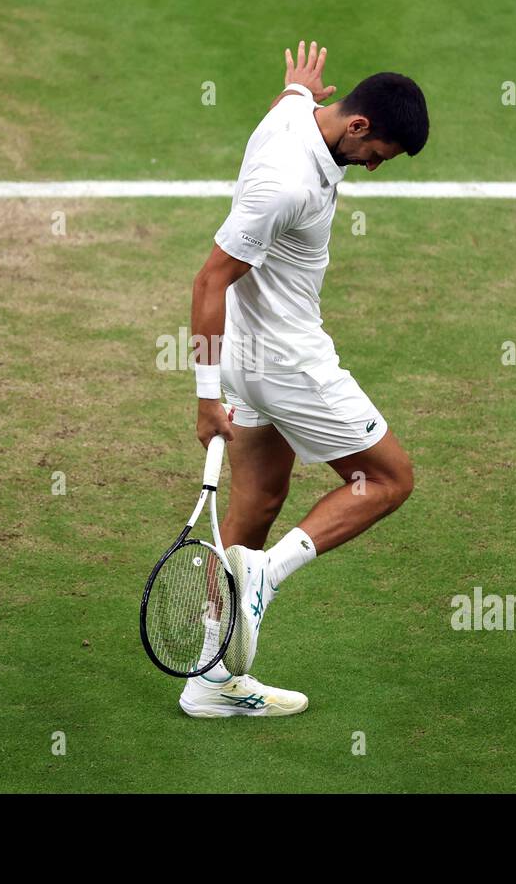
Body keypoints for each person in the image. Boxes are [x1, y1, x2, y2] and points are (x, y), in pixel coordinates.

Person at [178, 41, 430, 718]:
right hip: (288, 363)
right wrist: (205, 400)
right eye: (377, 155)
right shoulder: (288, 183)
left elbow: (284, 104)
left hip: (253, 361)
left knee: (256, 504)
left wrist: (295, 87)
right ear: (355, 128)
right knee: (388, 478)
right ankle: (266, 577)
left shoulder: (298, 112)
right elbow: (208, 280)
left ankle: (207, 679)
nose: (374, 168)